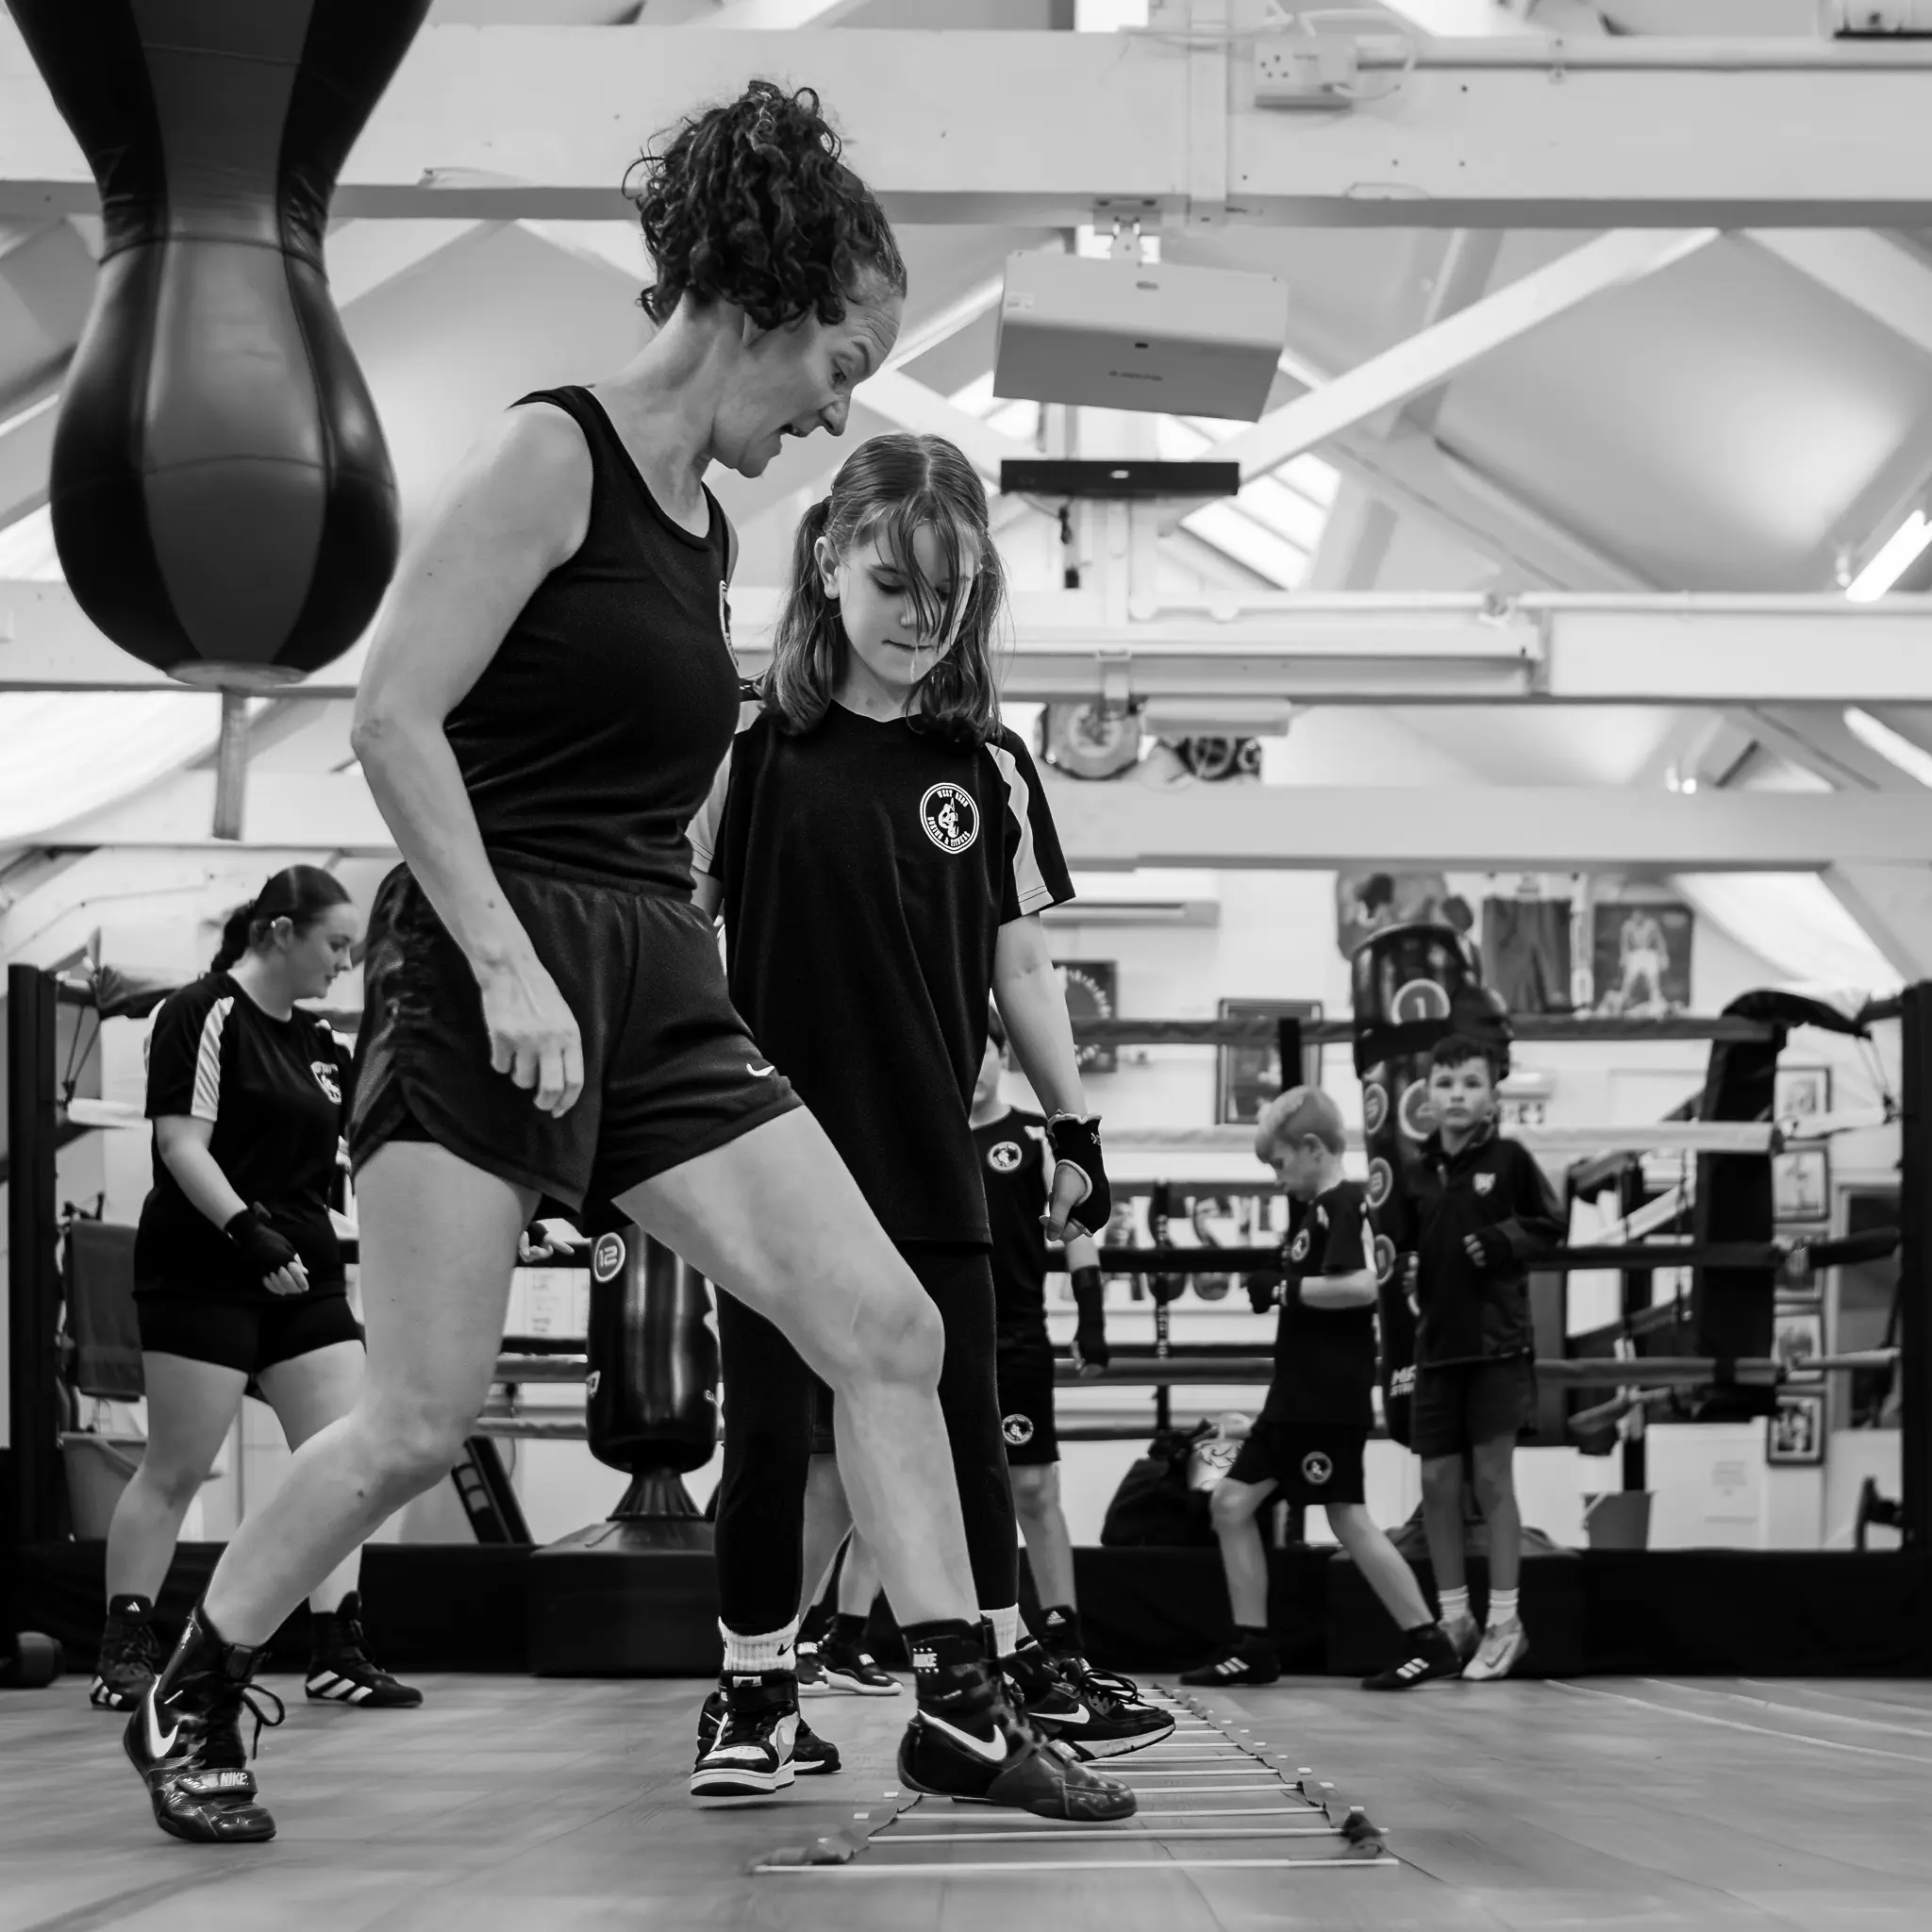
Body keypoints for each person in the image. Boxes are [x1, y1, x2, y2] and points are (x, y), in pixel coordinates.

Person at [124, 81, 1130, 1846]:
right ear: (766, 302)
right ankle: (198, 1673)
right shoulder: (551, 454)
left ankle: (958, 1701)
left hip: (654, 970)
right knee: (417, 1416)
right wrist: (512, 971)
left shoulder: (711, 523)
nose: (845, 399)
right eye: (844, 354)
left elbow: (649, 808)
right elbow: (391, 716)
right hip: (478, 963)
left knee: (886, 1324)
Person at [686, 431, 1166, 1803]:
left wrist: (1073, 1127)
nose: (920, 617)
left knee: (966, 1429)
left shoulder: (993, 766)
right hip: (770, 1158)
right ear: (828, 560)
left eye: (948, 594)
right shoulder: (751, 748)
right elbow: (678, 924)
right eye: (896, 583)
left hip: (933, 1156)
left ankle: (989, 1691)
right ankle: (754, 1693)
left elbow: (1021, 964)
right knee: (771, 1440)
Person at [93, 869, 419, 1718]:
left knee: (352, 1462)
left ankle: (336, 1644)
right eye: (335, 944)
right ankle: (126, 1644)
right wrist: (247, 1230)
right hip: (206, 1267)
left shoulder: (317, 1044)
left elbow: (368, 1155)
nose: (344, 963)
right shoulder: (202, 1013)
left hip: (303, 1275)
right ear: (278, 932)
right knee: (176, 1468)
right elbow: (180, 1143)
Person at [1179, 1088, 1457, 1690]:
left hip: (1326, 1398)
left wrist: (1282, 1290)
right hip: (1298, 1396)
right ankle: (1254, 1646)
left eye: (1280, 1164)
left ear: (1311, 1149)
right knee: (1230, 1506)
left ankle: (1426, 1639)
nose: (1278, 1179)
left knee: (1347, 1517)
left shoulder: (1345, 1203)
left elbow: (1362, 1286)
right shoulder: (1318, 1211)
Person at [967, 1007, 1145, 1707]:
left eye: (985, 1051)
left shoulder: (1029, 1138)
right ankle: (978, 1638)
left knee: (1034, 1489)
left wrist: (1092, 1316)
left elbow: (1074, 1229)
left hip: (1016, 1336)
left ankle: (1064, 1632)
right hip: (945, 1337)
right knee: (954, 1491)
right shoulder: (932, 1137)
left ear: (1002, 1058)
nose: (974, 1065)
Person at [1403, 1034, 1564, 1682]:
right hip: (1435, 1349)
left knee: (1492, 1482)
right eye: (1445, 1084)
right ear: (1428, 1096)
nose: (1457, 1095)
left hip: (1498, 1346)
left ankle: (1505, 1621)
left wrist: (1500, 1240)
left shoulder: (1511, 1158)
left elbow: (1551, 1225)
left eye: (1470, 1083)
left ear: (1493, 1095)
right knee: (1438, 1486)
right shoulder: (1414, 1170)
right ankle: (1454, 1620)